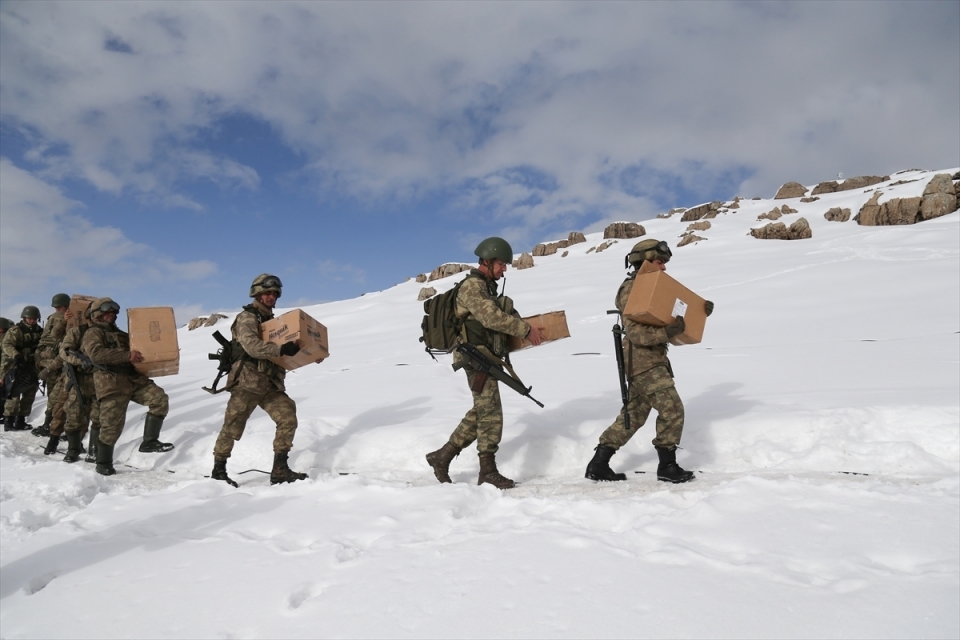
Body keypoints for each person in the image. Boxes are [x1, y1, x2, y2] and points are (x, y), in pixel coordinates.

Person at [584, 238, 714, 484]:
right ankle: (667, 466)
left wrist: (698, 311)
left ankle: (598, 464)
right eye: (659, 261)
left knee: (634, 415)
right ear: (643, 262)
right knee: (672, 408)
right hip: (644, 363)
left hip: (650, 361)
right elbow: (635, 333)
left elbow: (672, 318)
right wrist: (666, 332)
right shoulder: (632, 289)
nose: (664, 267)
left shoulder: (655, 289)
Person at [425, 237, 543, 489]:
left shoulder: (486, 287)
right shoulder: (472, 287)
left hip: (484, 355)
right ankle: (487, 471)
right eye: (501, 264)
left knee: (482, 410)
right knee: (490, 412)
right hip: (474, 357)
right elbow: (491, 318)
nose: (504, 269)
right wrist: (525, 329)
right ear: (487, 262)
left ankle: (442, 456)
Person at [210, 274, 307, 487]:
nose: (271, 297)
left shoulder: (273, 323)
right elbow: (252, 347)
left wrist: (308, 355)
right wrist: (281, 349)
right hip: (248, 382)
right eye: (267, 293)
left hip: (270, 384)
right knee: (232, 426)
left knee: (287, 418)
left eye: (274, 293)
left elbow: (283, 352)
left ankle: (280, 469)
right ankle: (218, 472)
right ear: (257, 294)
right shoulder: (247, 317)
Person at [80, 297, 174, 475]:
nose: (111, 314)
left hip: (133, 379)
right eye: (107, 311)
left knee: (159, 399)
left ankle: (149, 442)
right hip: (111, 382)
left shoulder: (122, 334)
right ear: (96, 314)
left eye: (113, 312)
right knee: (111, 426)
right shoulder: (93, 333)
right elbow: (96, 354)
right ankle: (103, 463)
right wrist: (126, 356)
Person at [56, 300, 101, 462]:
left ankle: (94, 451)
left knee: (98, 417)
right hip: (79, 380)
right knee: (74, 415)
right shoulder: (77, 331)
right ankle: (73, 449)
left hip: (101, 381)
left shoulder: (110, 334)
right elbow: (65, 351)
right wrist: (80, 361)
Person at [32, 293, 73, 438]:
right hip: (55, 361)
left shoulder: (58, 318)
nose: (58, 310)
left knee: (57, 397)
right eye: (57, 308)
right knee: (56, 396)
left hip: (57, 361)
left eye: (60, 307)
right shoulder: (59, 318)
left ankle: (51, 425)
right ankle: (51, 425)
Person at [1, 306, 44, 431]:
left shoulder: (40, 331)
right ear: (24, 318)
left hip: (33, 366)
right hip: (17, 366)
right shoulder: (16, 330)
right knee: (13, 394)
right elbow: (6, 345)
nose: (32, 321)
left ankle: (21, 420)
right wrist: (16, 355)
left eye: (34, 318)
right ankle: (9, 421)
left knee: (30, 394)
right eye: (30, 318)